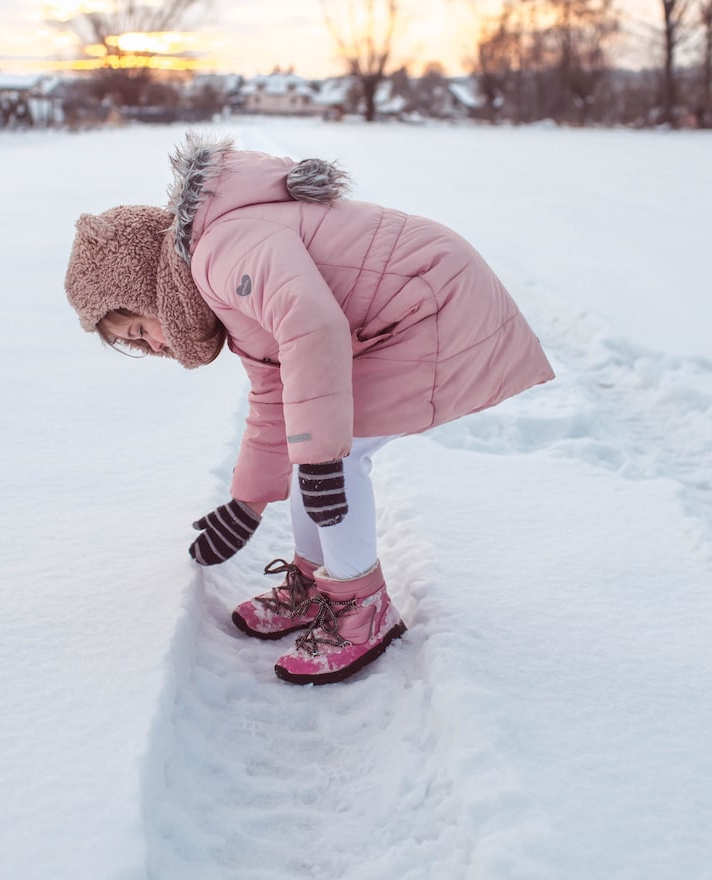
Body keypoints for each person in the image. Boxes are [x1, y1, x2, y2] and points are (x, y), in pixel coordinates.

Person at [64, 132, 554, 685]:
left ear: (144, 285)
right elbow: (276, 396)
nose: (152, 344)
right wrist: (246, 504)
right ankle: (320, 580)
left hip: (430, 305)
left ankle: (361, 609)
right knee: (315, 444)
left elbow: (312, 327)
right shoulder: (217, 277)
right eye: (134, 343)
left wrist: (320, 458)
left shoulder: (219, 253)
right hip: (409, 307)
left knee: (333, 456)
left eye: (137, 326)